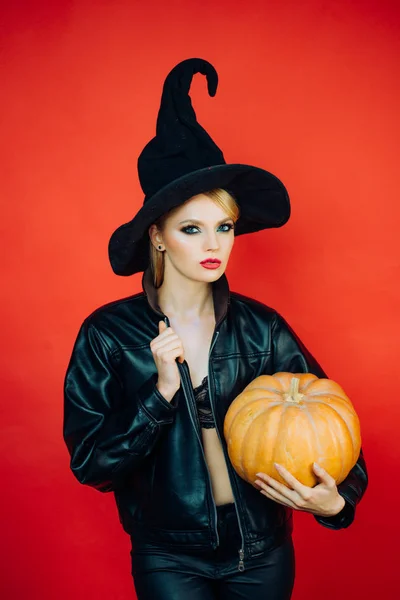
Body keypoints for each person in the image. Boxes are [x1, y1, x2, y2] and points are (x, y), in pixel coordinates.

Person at [63, 58, 368, 600]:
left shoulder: (263, 329)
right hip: (169, 557)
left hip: (263, 554)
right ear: (157, 237)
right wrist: (159, 395)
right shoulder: (108, 335)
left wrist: (337, 504)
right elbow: (92, 464)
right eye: (191, 228)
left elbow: (334, 428)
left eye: (224, 226)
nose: (213, 245)